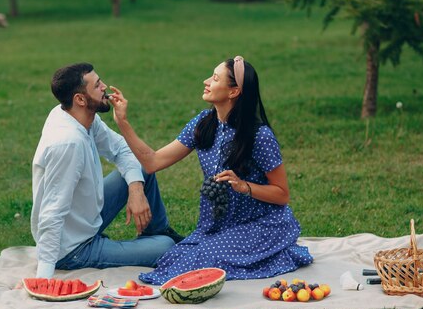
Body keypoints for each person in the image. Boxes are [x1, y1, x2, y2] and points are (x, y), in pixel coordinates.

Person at [109, 56, 313, 284]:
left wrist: (244, 186)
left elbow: (282, 194)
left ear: (234, 92)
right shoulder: (203, 123)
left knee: (200, 260)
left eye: (215, 78)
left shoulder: (259, 136)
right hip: (215, 226)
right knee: (173, 258)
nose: (206, 81)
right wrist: (123, 122)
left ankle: (278, 250)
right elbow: (153, 162)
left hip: (261, 225)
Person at [30, 63, 182, 279]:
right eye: (97, 85)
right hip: (74, 249)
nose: (104, 88)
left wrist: (136, 190)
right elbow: (52, 212)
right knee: (166, 247)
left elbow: (122, 149)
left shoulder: (81, 117)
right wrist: (43, 277)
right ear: (80, 100)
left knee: (141, 168)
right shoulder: (68, 144)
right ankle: (155, 243)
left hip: (88, 218)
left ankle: (157, 233)